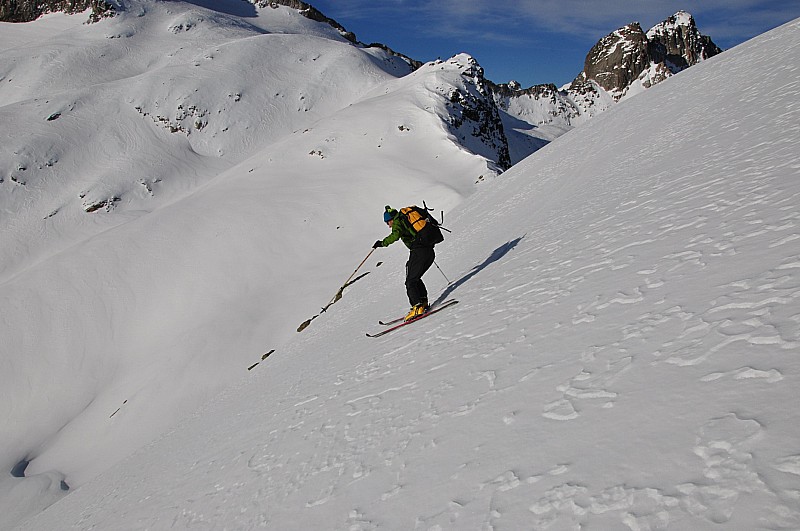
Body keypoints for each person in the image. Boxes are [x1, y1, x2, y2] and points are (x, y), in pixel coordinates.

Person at [373, 205, 442, 321]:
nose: (388, 225)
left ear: (391, 219)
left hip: (419, 250)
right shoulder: (404, 218)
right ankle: (423, 301)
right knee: (414, 276)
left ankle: (417, 306)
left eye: (387, 222)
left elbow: (395, 235)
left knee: (410, 281)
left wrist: (382, 243)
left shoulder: (398, 222)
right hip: (426, 249)